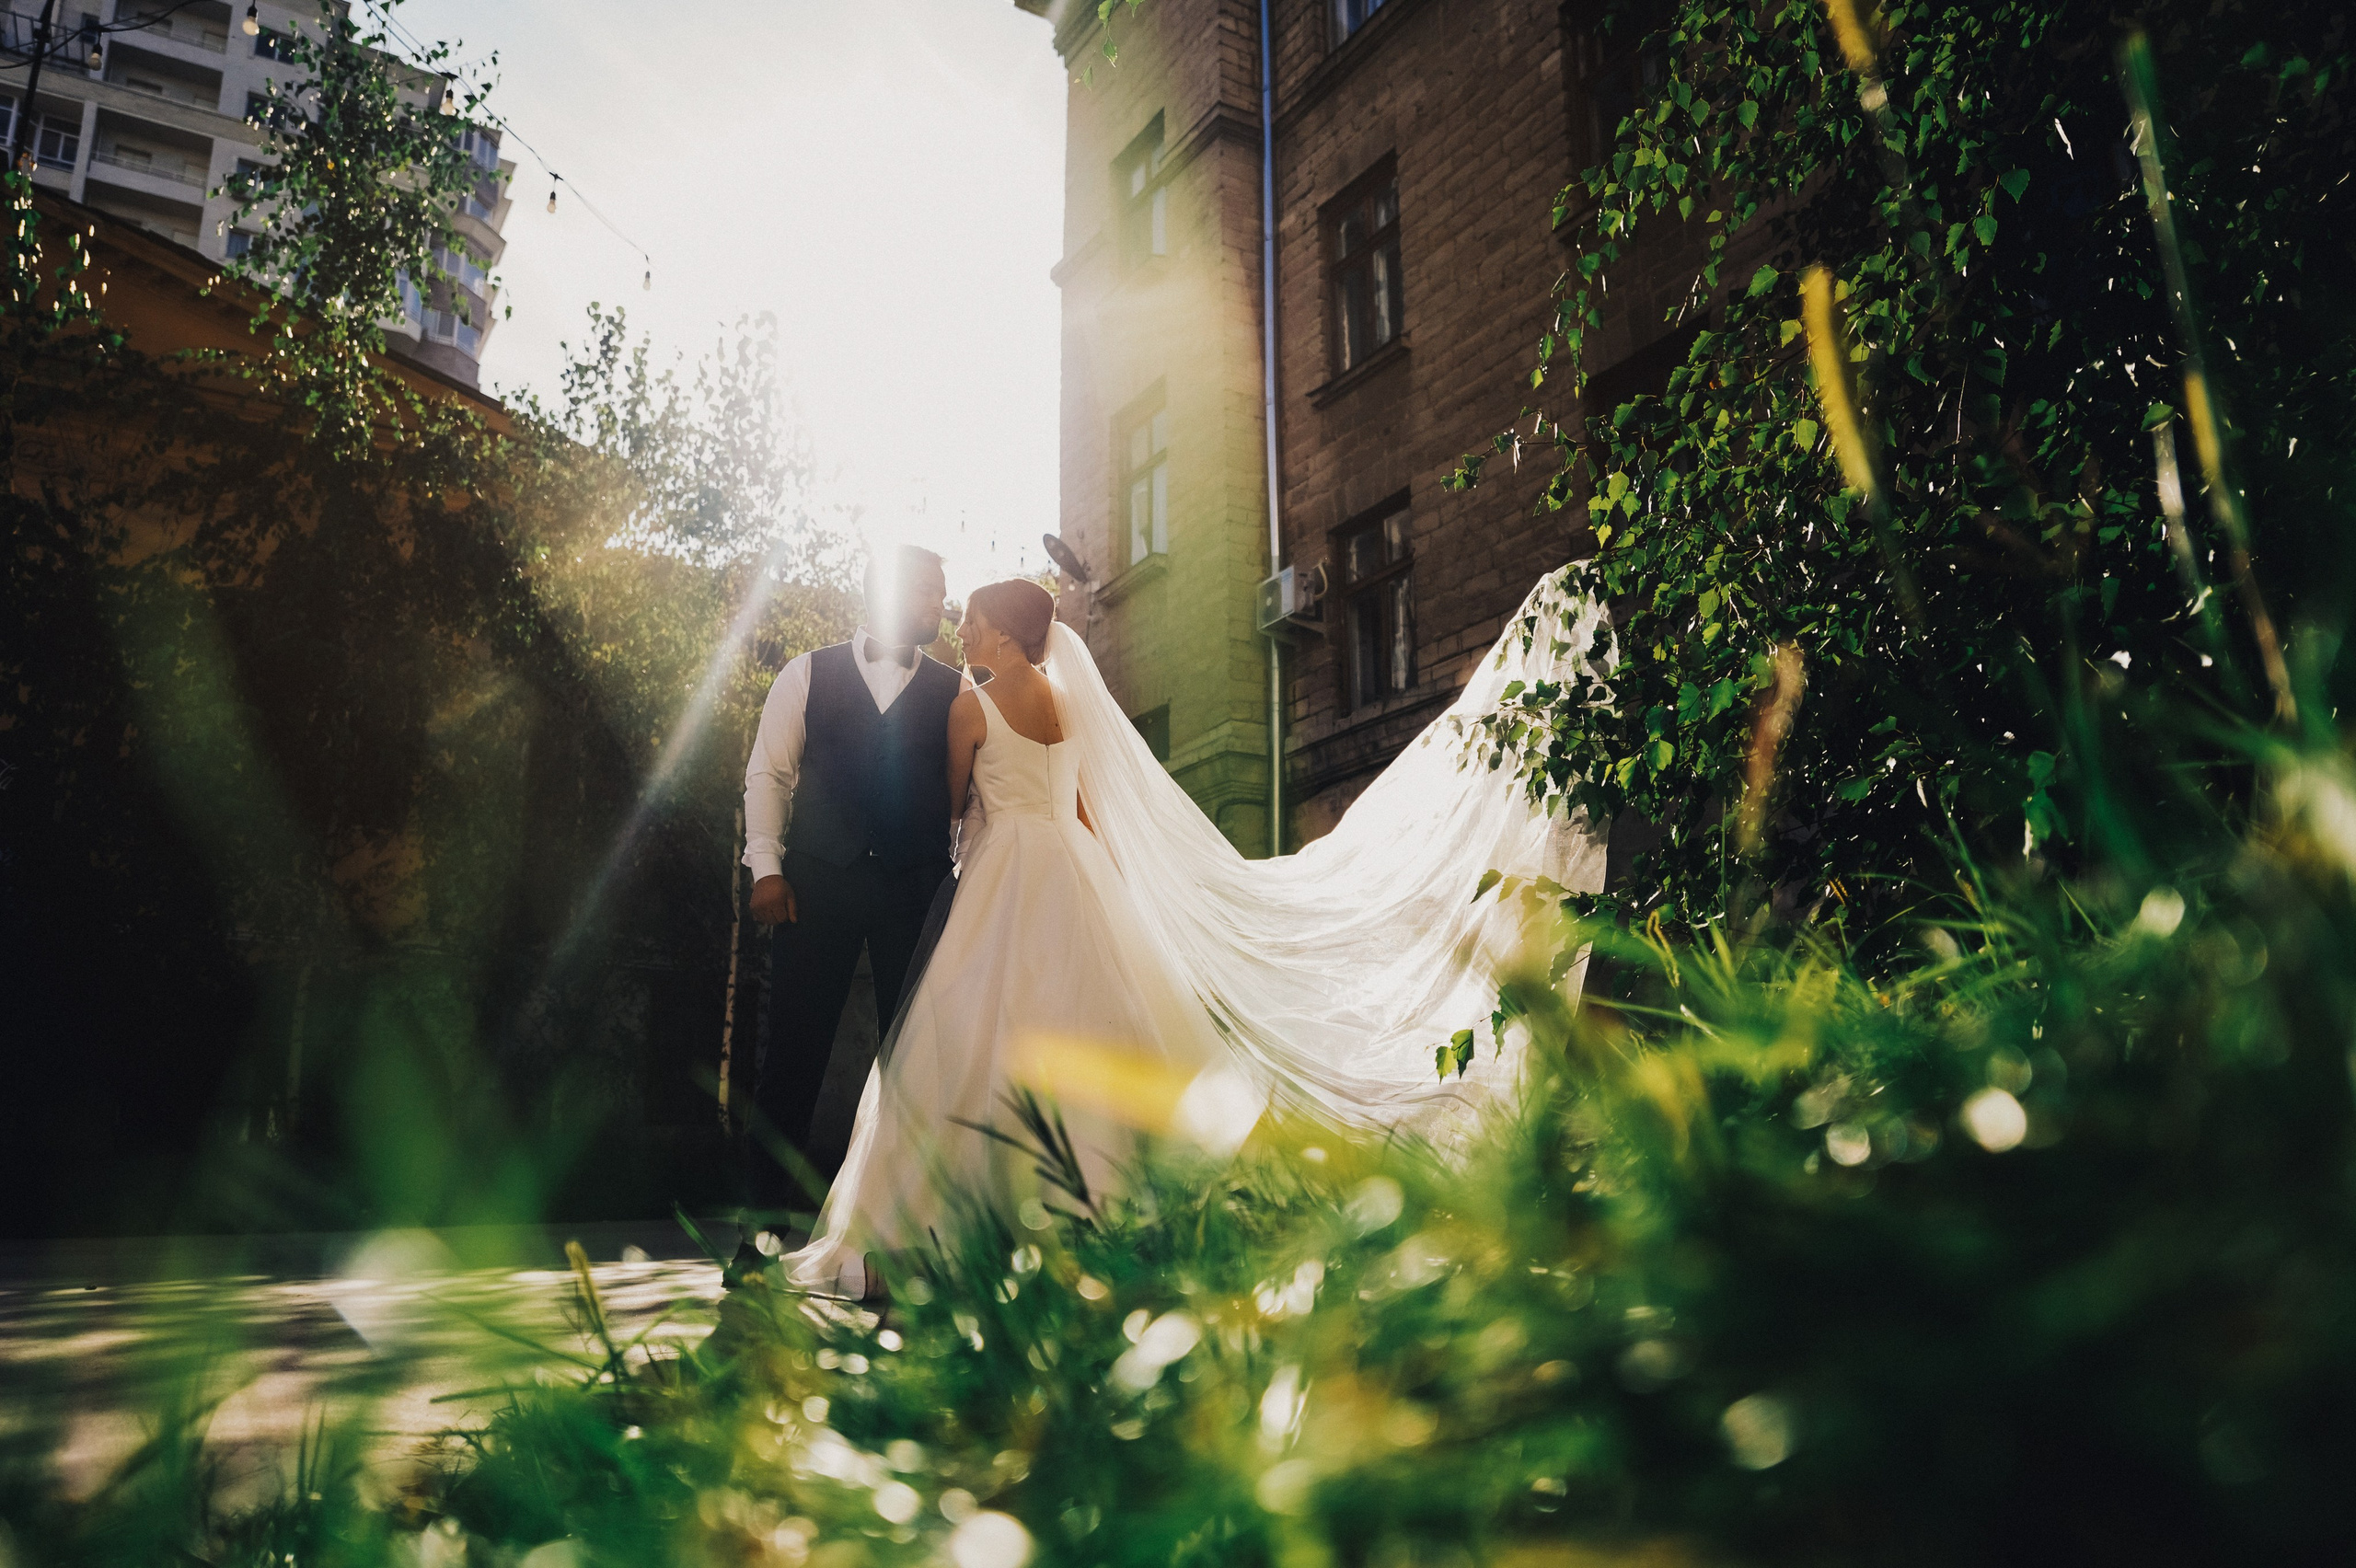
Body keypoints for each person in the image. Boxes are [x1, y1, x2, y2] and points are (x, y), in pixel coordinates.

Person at [776, 573, 1612, 1301]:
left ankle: (941, 1231)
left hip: (1004, 871)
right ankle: (1103, 1221)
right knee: (1097, 1026)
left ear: (1001, 630)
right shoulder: (1073, 707)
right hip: (1073, 871)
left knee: (970, 1040)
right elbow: (1083, 811)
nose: (962, 631)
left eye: (971, 620)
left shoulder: (969, 707)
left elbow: (955, 814)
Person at [737, 545, 959, 1262]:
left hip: (918, 892)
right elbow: (768, 774)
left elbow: (974, 802)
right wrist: (765, 866)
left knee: (917, 1066)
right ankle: (760, 1238)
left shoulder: (959, 692)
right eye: (927, 591)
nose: (941, 605)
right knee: (791, 1060)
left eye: (943, 593)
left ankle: (904, 1241)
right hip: (815, 887)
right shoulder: (806, 673)